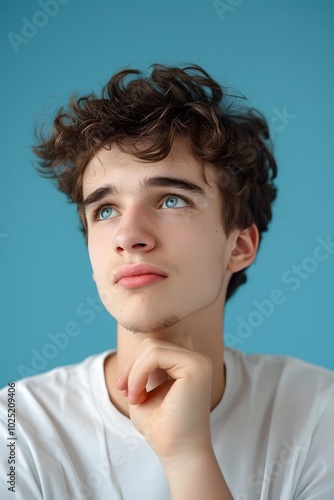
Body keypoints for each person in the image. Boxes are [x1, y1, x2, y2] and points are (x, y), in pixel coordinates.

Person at [1, 64, 333, 500]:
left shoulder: (319, 412)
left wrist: (188, 458)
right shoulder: (14, 424)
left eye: (170, 199)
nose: (127, 236)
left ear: (239, 246)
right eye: (105, 210)